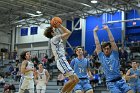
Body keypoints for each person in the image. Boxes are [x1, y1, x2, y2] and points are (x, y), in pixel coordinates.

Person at [93, 25, 133, 93]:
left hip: (120, 81)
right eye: (104, 49)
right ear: (102, 50)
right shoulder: (101, 56)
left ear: (110, 49)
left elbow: (112, 41)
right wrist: (94, 32)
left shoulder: (115, 54)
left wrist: (108, 29)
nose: (106, 50)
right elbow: (97, 44)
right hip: (111, 83)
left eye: (108, 48)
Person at [44, 23, 79, 93]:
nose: (55, 29)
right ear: (52, 32)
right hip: (61, 60)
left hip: (63, 60)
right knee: (72, 80)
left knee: (76, 80)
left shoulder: (57, 38)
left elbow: (68, 34)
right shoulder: (54, 38)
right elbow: (68, 32)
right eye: (54, 29)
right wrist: (60, 26)